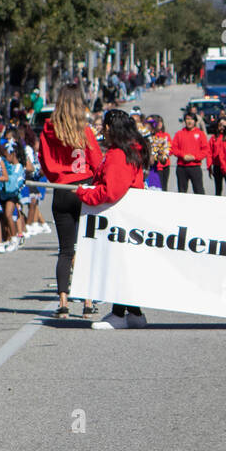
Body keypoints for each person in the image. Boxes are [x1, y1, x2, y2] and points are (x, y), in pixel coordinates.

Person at [77, 109, 148, 330]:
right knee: (124, 264)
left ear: (109, 128)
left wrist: (83, 194)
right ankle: (134, 313)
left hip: (118, 216)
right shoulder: (129, 149)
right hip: (127, 214)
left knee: (119, 264)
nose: (101, 132)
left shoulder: (119, 154)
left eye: (103, 128)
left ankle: (119, 314)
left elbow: (111, 191)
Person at [40, 83, 103, 320]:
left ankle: (63, 303)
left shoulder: (49, 129)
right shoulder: (84, 130)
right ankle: (87, 302)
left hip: (62, 188)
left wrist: (57, 176)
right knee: (86, 247)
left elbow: (44, 161)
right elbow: (97, 161)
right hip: (84, 187)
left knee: (65, 250)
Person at [172, 111, 208, 194]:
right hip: (182, 167)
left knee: (199, 190)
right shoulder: (179, 134)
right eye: (187, 119)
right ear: (184, 121)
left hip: (195, 167)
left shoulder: (200, 134)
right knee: (182, 191)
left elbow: (205, 150)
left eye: (191, 119)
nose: (189, 121)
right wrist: (183, 155)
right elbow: (174, 148)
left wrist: (195, 157)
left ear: (195, 121)